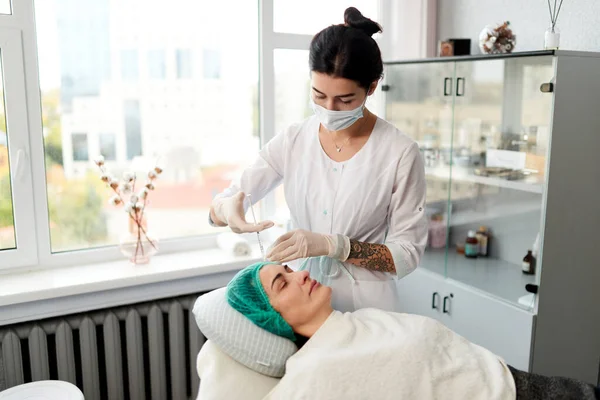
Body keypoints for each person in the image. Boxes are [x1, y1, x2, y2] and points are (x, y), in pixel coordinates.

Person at [210, 7, 428, 313]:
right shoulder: (294, 140)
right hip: (303, 305)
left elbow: (406, 254)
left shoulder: (400, 152)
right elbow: (223, 205)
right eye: (318, 95)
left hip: (368, 310)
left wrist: (335, 246)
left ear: (372, 87)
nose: (329, 108)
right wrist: (226, 209)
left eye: (345, 99)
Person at [226, 262, 600, 400]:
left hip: (519, 381)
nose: (301, 273)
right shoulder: (311, 373)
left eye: (289, 269)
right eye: (283, 283)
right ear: (270, 318)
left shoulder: (359, 320)